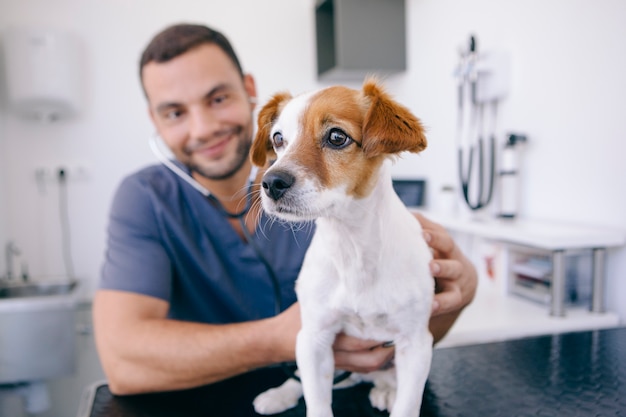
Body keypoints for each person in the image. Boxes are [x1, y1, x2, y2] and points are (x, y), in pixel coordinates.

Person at [93, 23, 477, 413]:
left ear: (248, 88)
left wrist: (463, 288)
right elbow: (123, 365)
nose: (203, 128)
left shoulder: (364, 210)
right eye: (174, 112)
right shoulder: (145, 198)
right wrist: (282, 337)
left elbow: (405, 336)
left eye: (218, 98)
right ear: (154, 120)